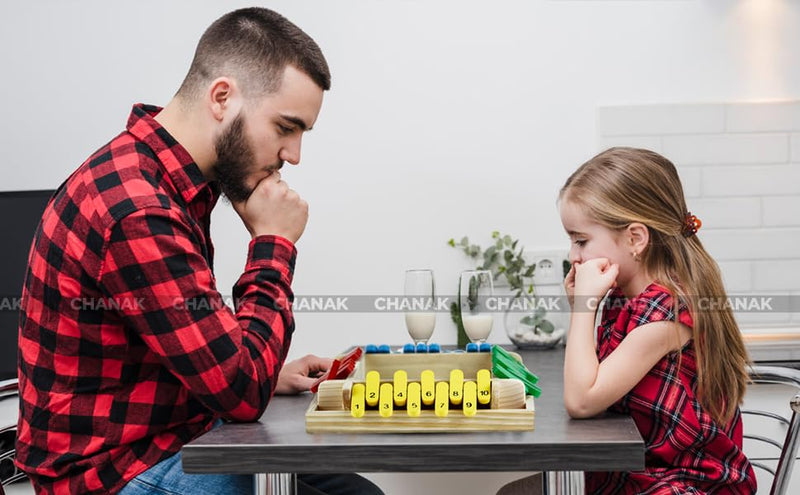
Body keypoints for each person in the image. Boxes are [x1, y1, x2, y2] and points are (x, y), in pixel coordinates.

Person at [15, 7, 383, 495]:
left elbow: (201, 358)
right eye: (285, 127)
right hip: (112, 474)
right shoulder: (138, 209)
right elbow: (241, 395)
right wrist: (273, 244)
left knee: (355, 491)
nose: (293, 155)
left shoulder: (165, 180)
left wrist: (263, 378)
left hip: (165, 434)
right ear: (222, 97)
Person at [558, 147, 756, 493]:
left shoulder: (664, 311)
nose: (574, 256)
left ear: (635, 238)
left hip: (680, 485)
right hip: (637, 475)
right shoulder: (624, 298)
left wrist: (583, 308)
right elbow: (591, 380)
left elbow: (581, 400)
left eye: (581, 241)